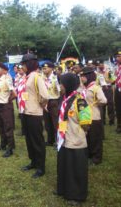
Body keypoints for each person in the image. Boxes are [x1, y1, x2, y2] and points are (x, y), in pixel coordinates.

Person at [56, 73, 91, 204]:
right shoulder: (65, 98)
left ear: (68, 84)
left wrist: (77, 131)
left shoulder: (80, 101)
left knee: (76, 169)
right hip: (64, 139)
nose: (60, 86)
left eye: (62, 84)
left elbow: (86, 122)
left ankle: (77, 195)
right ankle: (63, 189)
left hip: (76, 140)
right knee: (65, 166)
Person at [19, 54, 49, 178]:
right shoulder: (27, 77)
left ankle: (41, 167)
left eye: (24, 64)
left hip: (34, 113)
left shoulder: (37, 77)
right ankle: (33, 161)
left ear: (30, 64)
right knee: (29, 139)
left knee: (37, 140)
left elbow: (45, 96)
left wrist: (39, 105)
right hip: (25, 112)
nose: (22, 67)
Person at [80, 66, 107, 165]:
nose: (81, 78)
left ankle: (97, 158)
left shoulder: (95, 87)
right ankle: (89, 155)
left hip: (94, 116)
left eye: (83, 76)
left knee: (95, 138)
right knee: (88, 137)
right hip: (85, 116)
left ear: (89, 76)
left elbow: (104, 100)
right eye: (81, 76)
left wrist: (94, 105)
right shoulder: (85, 88)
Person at [0, 62, 17, 157]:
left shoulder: (7, 79)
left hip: (5, 106)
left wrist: (8, 101)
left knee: (8, 127)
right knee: (0, 126)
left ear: (4, 71)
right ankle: (3, 144)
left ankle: (10, 148)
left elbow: (14, 94)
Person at [42, 61, 60, 147]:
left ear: (51, 68)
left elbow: (61, 91)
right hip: (45, 101)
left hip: (54, 101)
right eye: (43, 68)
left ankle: (58, 141)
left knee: (55, 122)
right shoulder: (43, 78)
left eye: (46, 68)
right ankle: (50, 140)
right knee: (47, 122)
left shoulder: (56, 78)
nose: (44, 69)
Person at [96, 60, 115, 126]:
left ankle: (111, 120)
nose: (100, 66)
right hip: (101, 89)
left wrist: (107, 83)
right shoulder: (97, 73)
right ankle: (103, 120)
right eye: (99, 65)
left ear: (103, 65)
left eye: (101, 65)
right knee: (102, 104)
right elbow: (97, 82)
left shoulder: (109, 71)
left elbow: (113, 80)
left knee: (110, 104)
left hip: (108, 89)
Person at [114, 51, 121, 134]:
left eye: (119, 56)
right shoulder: (117, 67)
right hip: (118, 89)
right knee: (118, 108)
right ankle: (119, 125)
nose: (117, 58)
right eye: (117, 56)